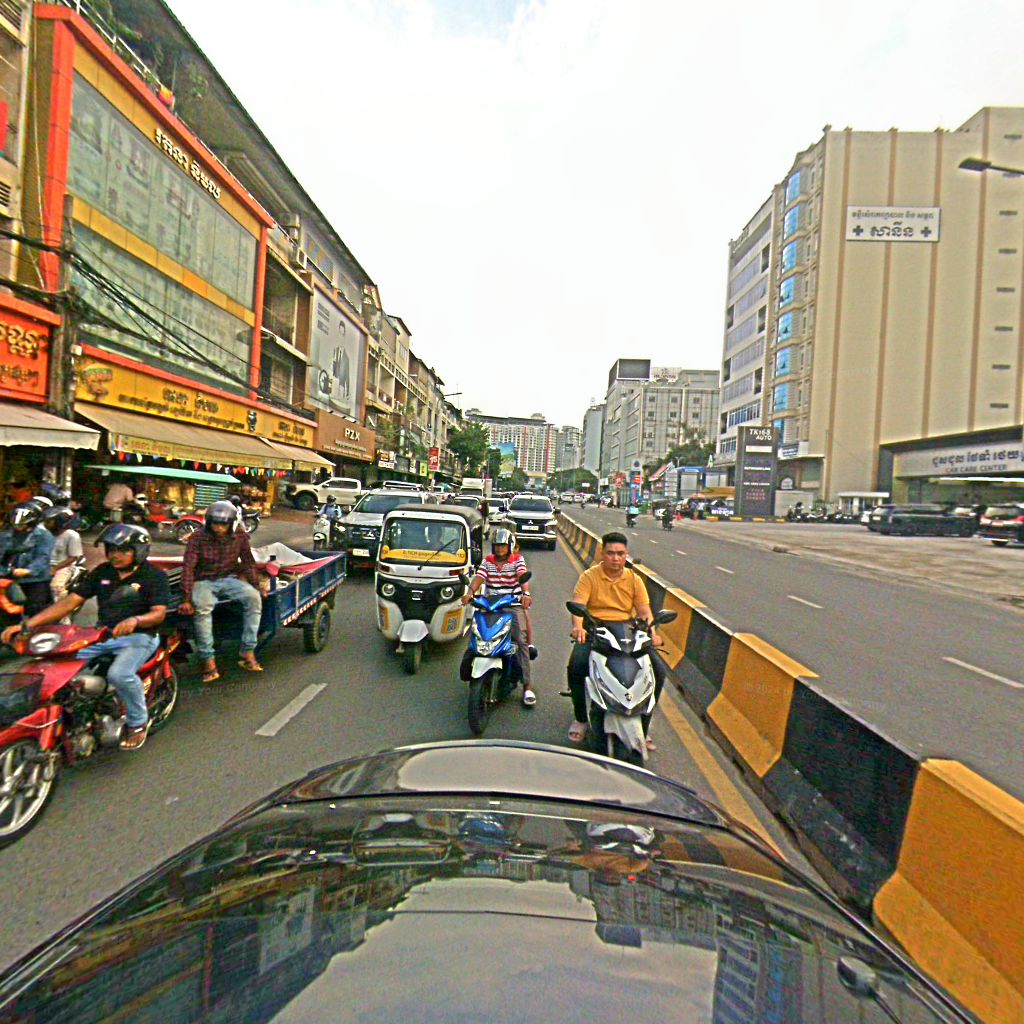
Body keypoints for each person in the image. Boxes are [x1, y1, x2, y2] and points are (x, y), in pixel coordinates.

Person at [1, 524, 169, 751]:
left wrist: (136, 621)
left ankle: (138, 722)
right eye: (111, 549)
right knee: (52, 666)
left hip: (140, 636)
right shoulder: (103, 572)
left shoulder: (154, 576)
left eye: (122, 550)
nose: (114, 555)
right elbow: (70, 602)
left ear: (139, 551)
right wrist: (26, 625)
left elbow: (159, 613)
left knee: (119, 674)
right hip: (102, 635)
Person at [566, 531, 665, 750]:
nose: (616, 558)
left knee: (658, 672)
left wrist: (652, 632)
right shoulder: (589, 577)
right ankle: (581, 718)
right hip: (596, 629)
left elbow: (644, 611)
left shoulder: (634, 579)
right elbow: (579, 606)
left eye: (620, 554)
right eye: (611, 553)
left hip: (628, 631)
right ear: (602, 553)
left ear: (626, 554)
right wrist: (578, 627)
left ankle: (644, 725)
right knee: (576, 666)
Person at [179, 500, 263, 683]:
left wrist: (257, 586)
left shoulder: (240, 536)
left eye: (223, 524)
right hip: (203, 581)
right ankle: (208, 660)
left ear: (231, 524)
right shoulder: (197, 538)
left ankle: (248, 650)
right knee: (202, 610)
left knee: (254, 598)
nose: (218, 528)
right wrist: (186, 598)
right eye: (215, 524)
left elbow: (248, 562)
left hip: (228, 579)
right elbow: (188, 567)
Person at [461, 527, 536, 706]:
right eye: (496, 546)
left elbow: (522, 576)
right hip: (489, 604)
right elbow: (479, 577)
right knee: (476, 634)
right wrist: (470, 592)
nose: (499, 549)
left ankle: (527, 686)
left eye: (502, 546)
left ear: (509, 546)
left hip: (511, 605)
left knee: (520, 641)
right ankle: (468, 667)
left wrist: (525, 594)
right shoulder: (488, 561)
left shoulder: (517, 560)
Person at [0, 501, 55, 616]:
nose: (18, 528)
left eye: (22, 525)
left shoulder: (44, 536)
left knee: (36, 612)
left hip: (35, 580)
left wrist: (28, 570)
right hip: (9, 579)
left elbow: (43, 557)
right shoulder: (5, 535)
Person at [44, 506, 84, 606]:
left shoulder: (72, 535)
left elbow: (73, 557)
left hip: (63, 566)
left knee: (56, 587)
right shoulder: (43, 534)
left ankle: (60, 611)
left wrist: (55, 568)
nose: (46, 524)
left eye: (50, 521)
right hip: (44, 564)